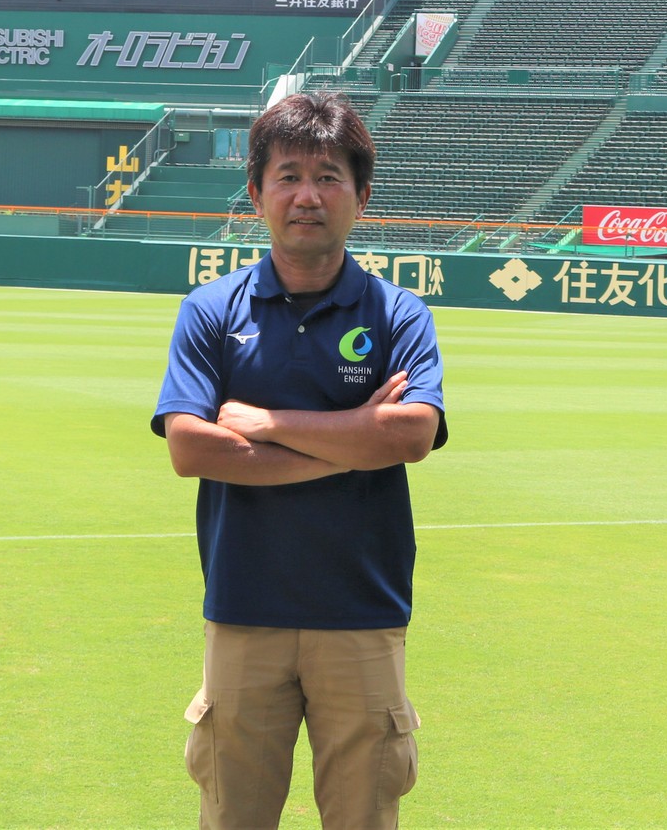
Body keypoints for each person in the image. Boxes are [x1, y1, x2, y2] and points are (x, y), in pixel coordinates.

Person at [152, 92, 448, 830]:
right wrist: (354, 438)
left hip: (363, 613)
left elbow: (411, 435)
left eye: (328, 177)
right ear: (256, 194)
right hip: (244, 609)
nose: (307, 196)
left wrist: (269, 425)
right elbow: (190, 447)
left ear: (362, 196)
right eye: (288, 176)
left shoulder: (399, 314)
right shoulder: (211, 310)